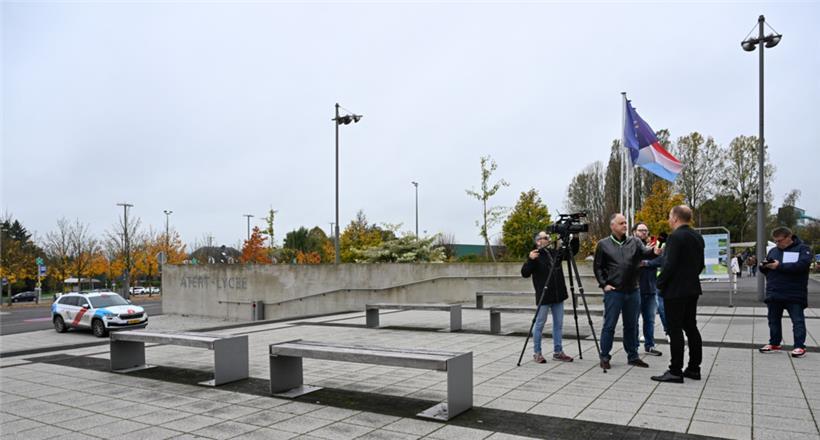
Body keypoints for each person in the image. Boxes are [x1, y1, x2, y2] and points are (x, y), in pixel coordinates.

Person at [593, 213, 661, 370]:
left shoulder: (635, 241)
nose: (625, 225)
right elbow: (598, 267)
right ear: (612, 226)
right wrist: (604, 284)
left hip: (633, 290)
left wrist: (654, 252)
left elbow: (645, 252)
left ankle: (633, 356)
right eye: (621, 223)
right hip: (614, 291)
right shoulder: (603, 244)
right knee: (609, 325)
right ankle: (605, 356)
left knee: (631, 326)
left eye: (625, 223)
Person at [651, 205, 704, 383]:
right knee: (691, 327)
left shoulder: (675, 237)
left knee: (675, 330)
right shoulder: (697, 237)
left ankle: (675, 370)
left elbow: (669, 264)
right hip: (692, 288)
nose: (668, 220)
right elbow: (700, 264)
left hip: (675, 290)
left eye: (669, 216)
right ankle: (694, 368)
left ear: (675, 218)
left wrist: (660, 283)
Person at [759, 227, 812, 358]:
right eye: (775, 241)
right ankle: (774, 343)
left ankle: (799, 346)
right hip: (774, 291)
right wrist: (764, 266)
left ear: (789, 237)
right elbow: (766, 270)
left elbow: (802, 266)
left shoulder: (803, 249)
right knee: (773, 319)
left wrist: (779, 266)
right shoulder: (773, 251)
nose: (777, 244)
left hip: (794, 292)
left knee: (797, 320)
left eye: (779, 241)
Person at [521, 231, 574, 363]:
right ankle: (537, 353)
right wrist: (530, 260)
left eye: (548, 237)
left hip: (558, 295)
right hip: (544, 295)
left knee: (559, 324)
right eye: (545, 238)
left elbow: (571, 253)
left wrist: (575, 238)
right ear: (538, 241)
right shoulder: (535, 255)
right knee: (539, 324)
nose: (548, 239)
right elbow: (525, 273)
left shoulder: (554, 253)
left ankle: (558, 351)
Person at [632, 223, 663, 356]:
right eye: (641, 230)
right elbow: (631, 263)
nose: (644, 233)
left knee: (649, 320)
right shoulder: (630, 246)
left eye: (646, 230)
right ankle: (634, 347)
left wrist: (646, 263)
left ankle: (649, 345)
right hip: (636, 288)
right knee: (633, 321)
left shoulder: (653, 246)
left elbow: (661, 261)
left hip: (650, 288)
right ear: (634, 232)